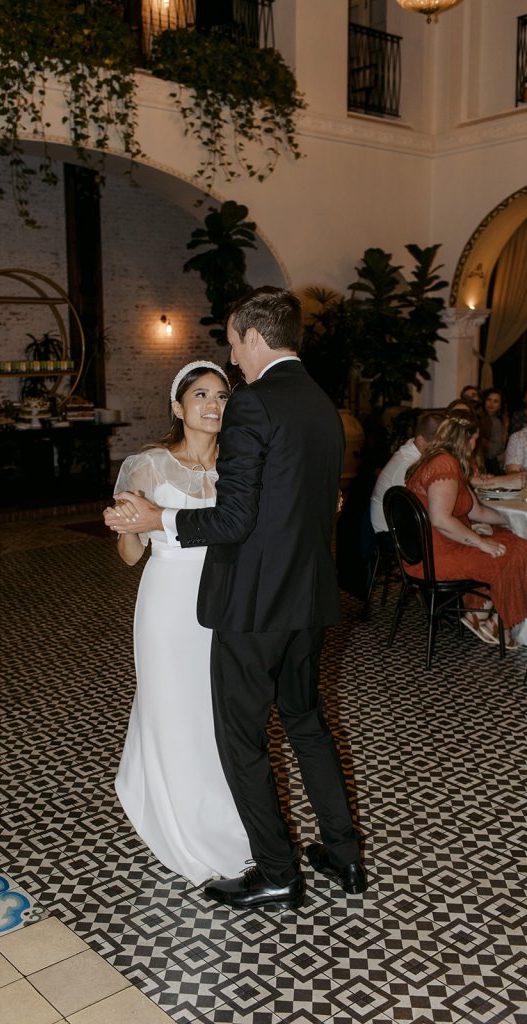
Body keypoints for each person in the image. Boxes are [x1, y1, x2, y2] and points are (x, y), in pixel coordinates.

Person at [106, 286, 365, 912]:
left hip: (254, 606)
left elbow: (233, 520)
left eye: (232, 342)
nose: (232, 358)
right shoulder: (322, 404)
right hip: (309, 599)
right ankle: (344, 854)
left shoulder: (255, 402)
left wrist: (159, 519)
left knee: (241, 740)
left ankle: (276, 871)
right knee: (306, 723)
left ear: (252, 335)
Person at [110, 361, 251, 886]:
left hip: (226, 602)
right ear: (178, 406)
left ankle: (222, 815)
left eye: (221, 396)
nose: (213, 405)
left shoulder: (240, 466)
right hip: (168, 603)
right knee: (173, 707)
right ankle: (183, 828)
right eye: (201, 395)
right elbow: (130, 556)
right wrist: (127, 524)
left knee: (215, 712)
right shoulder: (148, 465)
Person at [405, 412, 527, 647]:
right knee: (517, 551)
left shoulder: (445, 460)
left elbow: (477, 512)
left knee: (512, 540)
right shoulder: (444, 464)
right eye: (476, 438)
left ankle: (479, 612)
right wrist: (479, 541)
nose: (477, 444)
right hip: (436, 556)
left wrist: (510, 521)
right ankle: (496, 622)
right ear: (467, 439)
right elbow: (440, 520)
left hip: (435, 546)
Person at [370, 410, 444, 535]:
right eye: (437, 446)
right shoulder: (407, 465)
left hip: (402, 524)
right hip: (391, 535)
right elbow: (423, 508)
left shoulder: (415, 452)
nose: (442, 452)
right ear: (420, 440)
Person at [478, 387, 509, 474]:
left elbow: (496, 449)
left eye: (495, 401)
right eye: (489, 400)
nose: (491, 404)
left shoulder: (499, 421)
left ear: (500, 405)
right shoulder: (477, 417)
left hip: (491, 464)